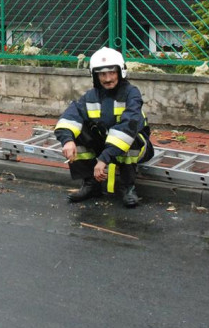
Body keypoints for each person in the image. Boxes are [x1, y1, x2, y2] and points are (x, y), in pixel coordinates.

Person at [54, 47, 154, 208]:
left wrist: (104, 158)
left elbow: (129, 126)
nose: (107, 78)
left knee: (128, 139)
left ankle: (127, 187)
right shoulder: (90, 96)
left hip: (137, 145)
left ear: (120, 72)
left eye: (112, 73)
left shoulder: (131, 94)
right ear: (95, 75)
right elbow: (70, 116)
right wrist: (67, 140)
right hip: (106, 145)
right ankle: (91, 185)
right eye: (102, 74)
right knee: (77, 133)